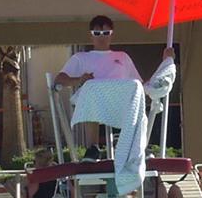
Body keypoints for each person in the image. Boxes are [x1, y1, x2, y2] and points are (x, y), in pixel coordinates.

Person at [54, 15, 175, 163]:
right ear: (90, 35)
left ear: (112, 34)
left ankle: (139, 146)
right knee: (92, 88)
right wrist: (79, 79)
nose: (101, 38)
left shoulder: (122, 57)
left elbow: (140, 84)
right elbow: (59, 81)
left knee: (135, 89)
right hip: (95, 102)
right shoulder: (80, 57)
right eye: (97, 33)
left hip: (121, 103)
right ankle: (93, 147)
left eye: (105, 33)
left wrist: (166, 63)